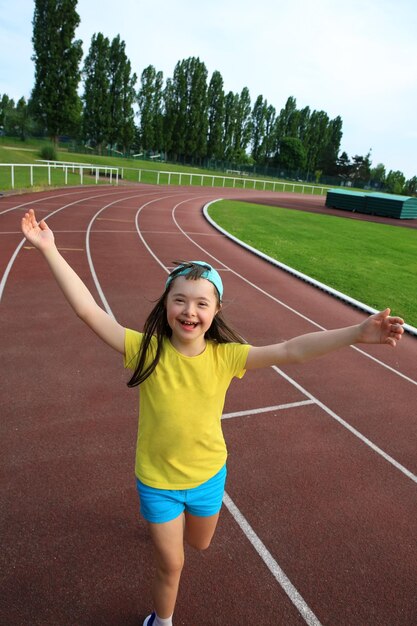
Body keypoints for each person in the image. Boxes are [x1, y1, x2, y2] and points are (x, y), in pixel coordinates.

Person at [21, 208, 404, 626]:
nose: (189, 311)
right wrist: (49, 249)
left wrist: (357, 334)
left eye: (202, 303)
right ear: (166, 304)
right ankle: (162, 620)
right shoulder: (147, 349)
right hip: (157, 481)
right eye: (180, 299)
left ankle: (167, 532)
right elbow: (89, 312)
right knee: (173, 562)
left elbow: (292, 349)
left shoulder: (227, 357)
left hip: (208, 477)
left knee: (199, 545)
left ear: (215, 311)